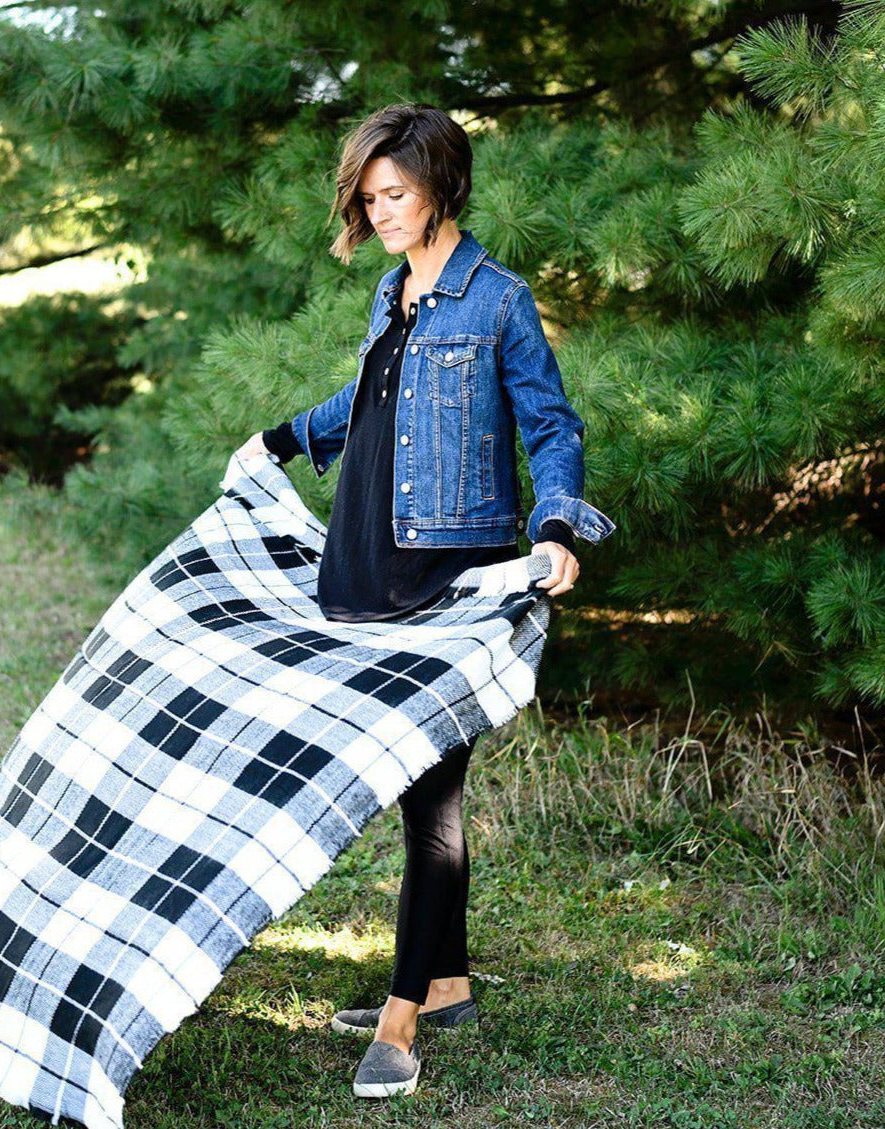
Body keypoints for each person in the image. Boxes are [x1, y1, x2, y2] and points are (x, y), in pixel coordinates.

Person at [236, 102, 615, 1099]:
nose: (383, 212)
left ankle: (403, 1021)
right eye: (369, 198)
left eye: (395, 194)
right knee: (409, 794)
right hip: (367, 562)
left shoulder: (497, 300)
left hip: (451, 574)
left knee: (434, 798)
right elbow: (370, 404)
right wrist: (278, 440)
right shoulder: (389, 293)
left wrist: (557, 526)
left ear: (441, 184)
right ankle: (442, 979)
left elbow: (550, 424)